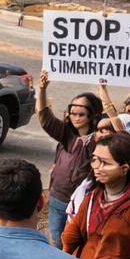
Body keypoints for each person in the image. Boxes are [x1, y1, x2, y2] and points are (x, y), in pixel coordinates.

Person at [35, 71, 101, 248]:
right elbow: (44, 117)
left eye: (81, 114)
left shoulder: (99, 140)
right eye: (73, 112)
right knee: (56, 239)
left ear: (93, 115)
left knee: (77, 242)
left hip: (82, 203)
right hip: (58, 198)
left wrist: (105, 95)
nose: (76, 117)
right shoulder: (65, 134)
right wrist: (42, 89)